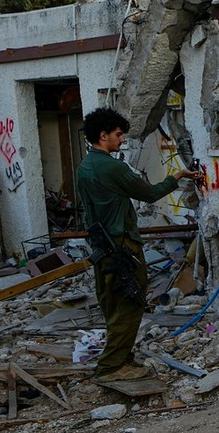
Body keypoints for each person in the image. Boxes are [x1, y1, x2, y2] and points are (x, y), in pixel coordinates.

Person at [76, 108, 202, 380]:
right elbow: (149, 193)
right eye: (119, 135)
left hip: (101, 247)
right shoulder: (111, 167)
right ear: (103, 135)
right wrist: (177, 176)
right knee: (130, 302)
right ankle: (111, 367)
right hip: (121, 246)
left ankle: (122, 357)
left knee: (112, 303)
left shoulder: (86, 165)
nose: (122, 140)